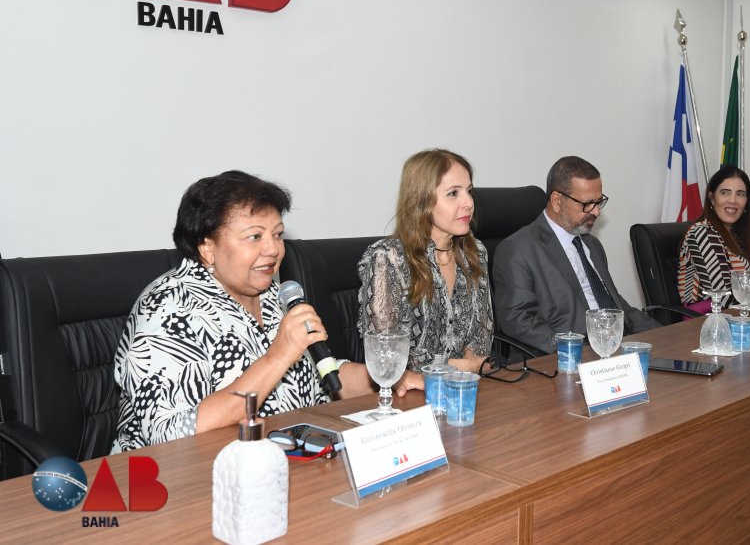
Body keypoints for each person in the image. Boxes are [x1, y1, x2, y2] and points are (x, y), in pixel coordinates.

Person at [111, 170, 417, 452]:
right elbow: (169, 435)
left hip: (284, 457)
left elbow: (325, 379)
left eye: (278, 234)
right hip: (179, 478)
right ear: (207, 247)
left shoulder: (274, 294)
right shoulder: (166, 308)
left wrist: (386, 378)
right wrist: (278, 357)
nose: (273, 249)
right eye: (255, 236)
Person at [492, 156, 660, 354]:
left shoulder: (592, 244)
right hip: (565, 358)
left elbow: (616, 306)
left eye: (599, 202)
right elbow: (519, 321)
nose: (596, 212)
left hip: (614, 351)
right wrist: (578, 350)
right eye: (588, 204)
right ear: (557, 201)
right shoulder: (517, 250)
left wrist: (665, 335)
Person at [357, 149, 493, 373]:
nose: (469, 203)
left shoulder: (475, 253)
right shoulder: (388, 258)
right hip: (410, 390)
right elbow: (385, 355)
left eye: (469, 191)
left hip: (466, 386)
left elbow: (481, 340)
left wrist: (470, 366)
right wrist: (457, 366)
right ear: (421, 201)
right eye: (453, 193)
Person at [677, 166, 750, 308]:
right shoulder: (702, 232)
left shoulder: (738, 236)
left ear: (746, 202)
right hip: (706, 316)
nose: (733, 200)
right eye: (725, 193)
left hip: (738, 312)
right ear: (712, 198)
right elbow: (720, 293)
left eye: (740, 194)